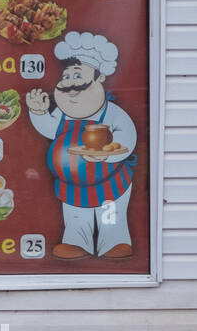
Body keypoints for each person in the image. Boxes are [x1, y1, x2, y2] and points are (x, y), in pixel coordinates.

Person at [25, 31, 137, 260]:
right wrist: (38, 112)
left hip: (110, 183)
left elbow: (128, 139)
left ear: (99, 79)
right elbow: (48, 128)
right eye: (66, 77)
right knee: (76, 217)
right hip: (72, 185)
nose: (70, 83)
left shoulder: (112, 114)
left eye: (77, 75)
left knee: (110, 214)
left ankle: (114, 241)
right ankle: (77, 242)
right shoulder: (62, 114)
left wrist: (106, 155)